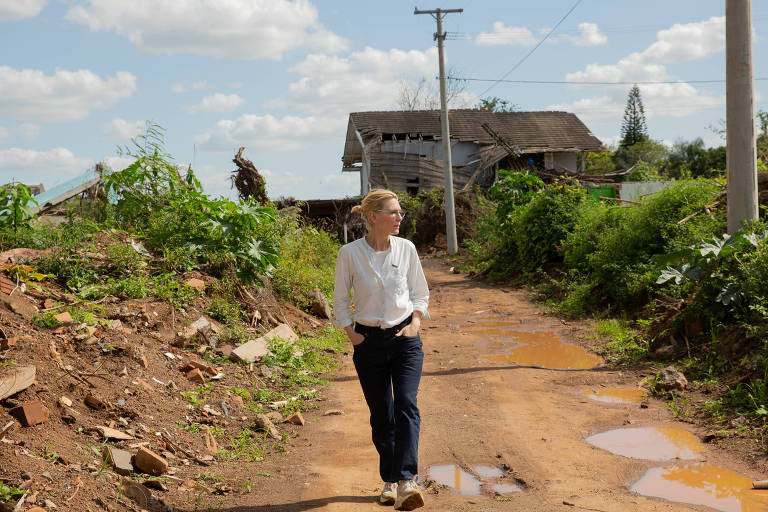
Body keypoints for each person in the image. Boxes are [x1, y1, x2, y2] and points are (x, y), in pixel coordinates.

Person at [333, 189, 429, 511]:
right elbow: (341, 300)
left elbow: (420, 293)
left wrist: (415, 323)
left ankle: (406, 481)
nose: (400, 218)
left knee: (406, 404)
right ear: (374, 216)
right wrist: (352, 334)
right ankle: (389, 481)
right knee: (381, 415)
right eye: (393, 212)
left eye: (400, 212)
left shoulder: (406, 249)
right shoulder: (349, 253)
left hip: (405, 339)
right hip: (368, 342)